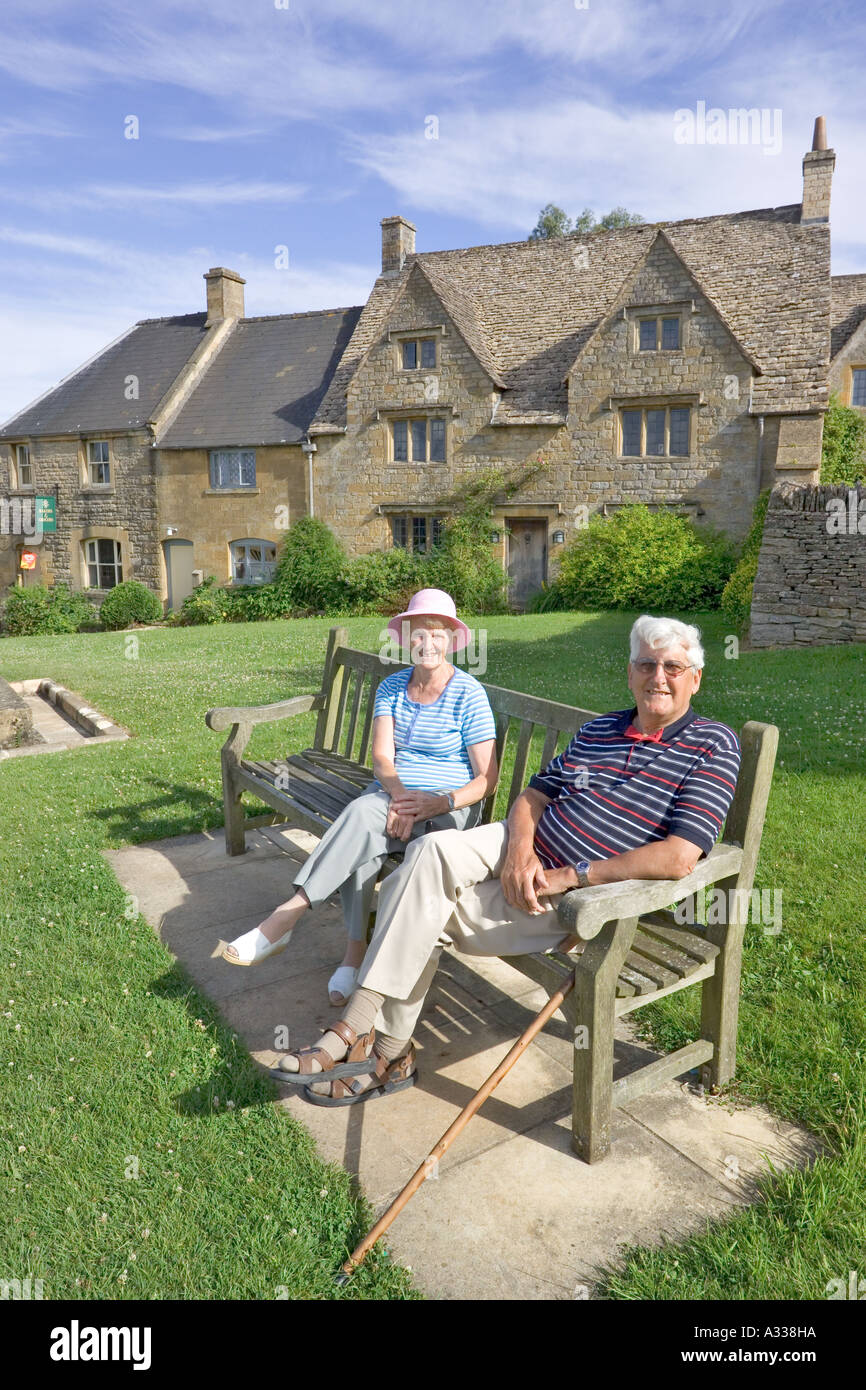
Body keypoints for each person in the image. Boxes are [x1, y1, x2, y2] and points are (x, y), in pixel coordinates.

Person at [271, 613, 742, 1103]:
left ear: (696, 678)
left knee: (411, 901)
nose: (658, 678)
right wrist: (519, 851)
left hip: (582, 898)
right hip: (518, 849)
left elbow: (680, 857)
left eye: (673, 667)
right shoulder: (602, 729)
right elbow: (531, 798)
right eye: (646, 665)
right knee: (428, 851)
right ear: (629, 672)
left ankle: (378, 1045)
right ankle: (371, 1039)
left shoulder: (712, 745)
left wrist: (570, 875)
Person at [219, 589, 498, 1006]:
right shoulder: (391, 688)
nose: (428, 643)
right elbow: (383, 758)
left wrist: (437, 803)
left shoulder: (468, 694)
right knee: (367, 832)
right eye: (419, 633)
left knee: (362, 817)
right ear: (406, 637)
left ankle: (286, 920)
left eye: (437, 634)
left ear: (450, 640)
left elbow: (487, 779)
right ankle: (352, 958)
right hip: (393, 795)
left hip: (447, 809)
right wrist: (402, 797)